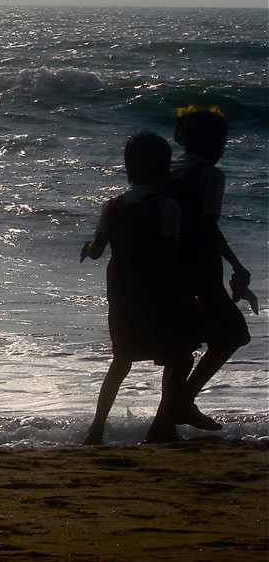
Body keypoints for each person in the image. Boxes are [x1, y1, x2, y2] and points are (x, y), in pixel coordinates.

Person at [81, 131, 200, 444]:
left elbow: (96, 251)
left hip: (121, 292)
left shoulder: (112, 206)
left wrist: (88, 246)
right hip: (156, 292)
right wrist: (189, 294)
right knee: (180, 357)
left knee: (121, 361)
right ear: (162, 170)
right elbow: (170, 255)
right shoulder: (166, 206)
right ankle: (161, 427)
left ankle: (96, 428)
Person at [165, 106, 255, 430]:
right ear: (216, 143)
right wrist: (237, 265)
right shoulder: (211, 175)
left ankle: (169, 418)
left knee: (183, 343)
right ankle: (183, 403)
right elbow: (207, 227)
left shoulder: (166, 171)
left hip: (169, 267)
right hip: (201, 266)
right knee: (235, 332)